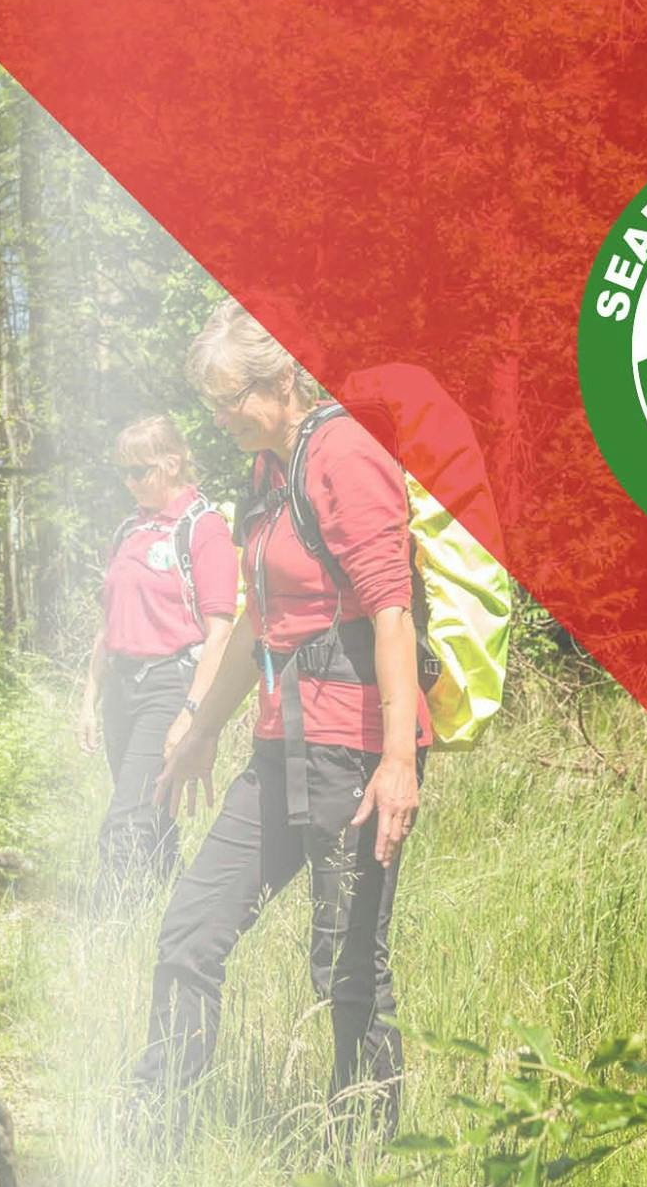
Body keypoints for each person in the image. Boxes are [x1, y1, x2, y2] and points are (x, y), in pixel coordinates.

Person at [136, 300, 424, 1137]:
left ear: (284, 379)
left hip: (355, 751)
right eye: (212, 403)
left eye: (230, 400)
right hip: (278, 745)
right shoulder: (267, 472)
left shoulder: (348, 456)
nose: (219, 418)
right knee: (191, 924)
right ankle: (156, 1122)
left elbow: (392, 612)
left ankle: (364, 1155)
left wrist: (398, 762)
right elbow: (257, 620)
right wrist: (198, 730)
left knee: (345, 960)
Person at [83, 415, 234, 902]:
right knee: (153, 814)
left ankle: (107, 934)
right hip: (122, 688)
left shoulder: (202, 527)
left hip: (170, 685)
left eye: (139, 470)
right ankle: (170, 912)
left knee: (125, 821)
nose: (130, 482)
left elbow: (220, 632)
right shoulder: (129, 528)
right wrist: (89, 699)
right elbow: (108, 625)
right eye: (122, 472)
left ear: (172, 463)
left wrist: (191, 713)